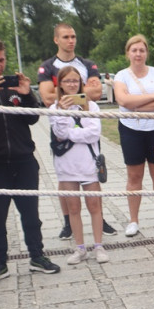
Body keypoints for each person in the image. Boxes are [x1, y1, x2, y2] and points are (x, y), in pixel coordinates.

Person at [0, 36, 61, 284]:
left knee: (31, 214)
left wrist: (27, 96)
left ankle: (37, 256)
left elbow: (32, 119)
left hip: (23, 159)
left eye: (1, 60)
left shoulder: (12, 86)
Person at [36, 22, 115, 239]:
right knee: (65, 176)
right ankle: (67, 221)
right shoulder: (48, 65)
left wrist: (67, 94)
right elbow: (47, 98)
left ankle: (100, 218)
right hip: (61, 124)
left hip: (86, 120)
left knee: (91, 172)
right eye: (65, 37)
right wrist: (79, 93)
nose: (70, 40)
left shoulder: (87, 64)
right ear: (56, 40)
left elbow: (97, 93)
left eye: (73, 36)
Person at [48, 66, 109, 265]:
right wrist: (65, 113)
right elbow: (60, 133)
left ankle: (99, 245)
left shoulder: (91, 106)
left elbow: (93, 133)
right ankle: (80, 248)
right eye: (67, 81)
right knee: (73, 207)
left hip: (88, 162)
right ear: (60, 84)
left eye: (75, 81)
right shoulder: (54, 108)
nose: (72, 84)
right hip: (66, 163)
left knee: (94, 205)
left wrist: (74, 132)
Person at [114, 34, 154, 237]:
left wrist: (136, 102)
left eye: (142, 50)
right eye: (134, 50)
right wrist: (152, 96)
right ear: (128, 52)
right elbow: (123, 101)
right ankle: (133, 220)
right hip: (131, 130)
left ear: (146, 52)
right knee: (134, 176)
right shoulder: (121, 75)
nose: (138, 54)